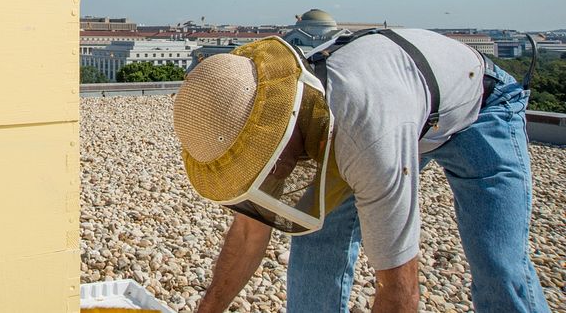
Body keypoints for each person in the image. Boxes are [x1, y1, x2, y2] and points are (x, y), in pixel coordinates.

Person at [173, 29, 550, 313]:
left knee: (499, 265)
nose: (268, 172)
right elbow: (246, 236)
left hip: (480, 107)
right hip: (399, 109)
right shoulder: (286, 114)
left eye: (257, 161)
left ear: (280, 128)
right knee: (315, 245)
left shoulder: (369, 141)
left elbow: (400, 289)